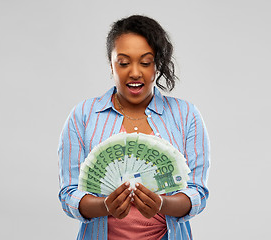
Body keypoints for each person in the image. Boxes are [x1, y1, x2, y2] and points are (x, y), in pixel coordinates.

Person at [58, 15, 210, 240]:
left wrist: (162, 204)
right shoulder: (83, 116)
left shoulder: (186, 115)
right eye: (124, 62)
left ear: (157, 64)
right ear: (111, 65)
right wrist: (105, 207)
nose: (135, 72)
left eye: (145, 62)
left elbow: (198, 194)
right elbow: (69, 195)